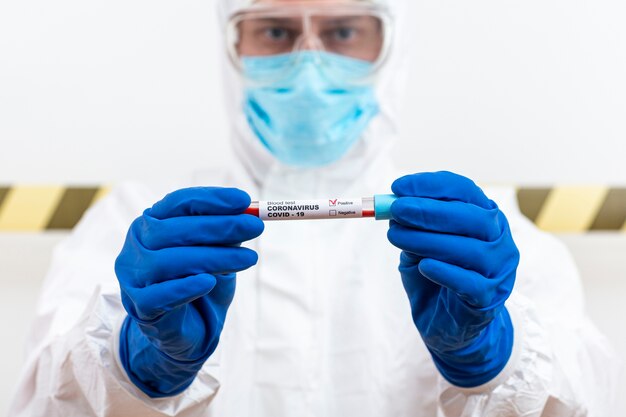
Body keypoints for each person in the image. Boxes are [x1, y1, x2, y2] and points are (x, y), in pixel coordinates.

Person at [9, 0, 619, 416]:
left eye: (343, 32)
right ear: (234, 46)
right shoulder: (137, 223)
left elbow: (587, 397)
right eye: (275, 31)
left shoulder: (483, 230)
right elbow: (40, 403)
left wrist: (492, 358)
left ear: (391, 45)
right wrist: (133, 364)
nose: (308, 59)